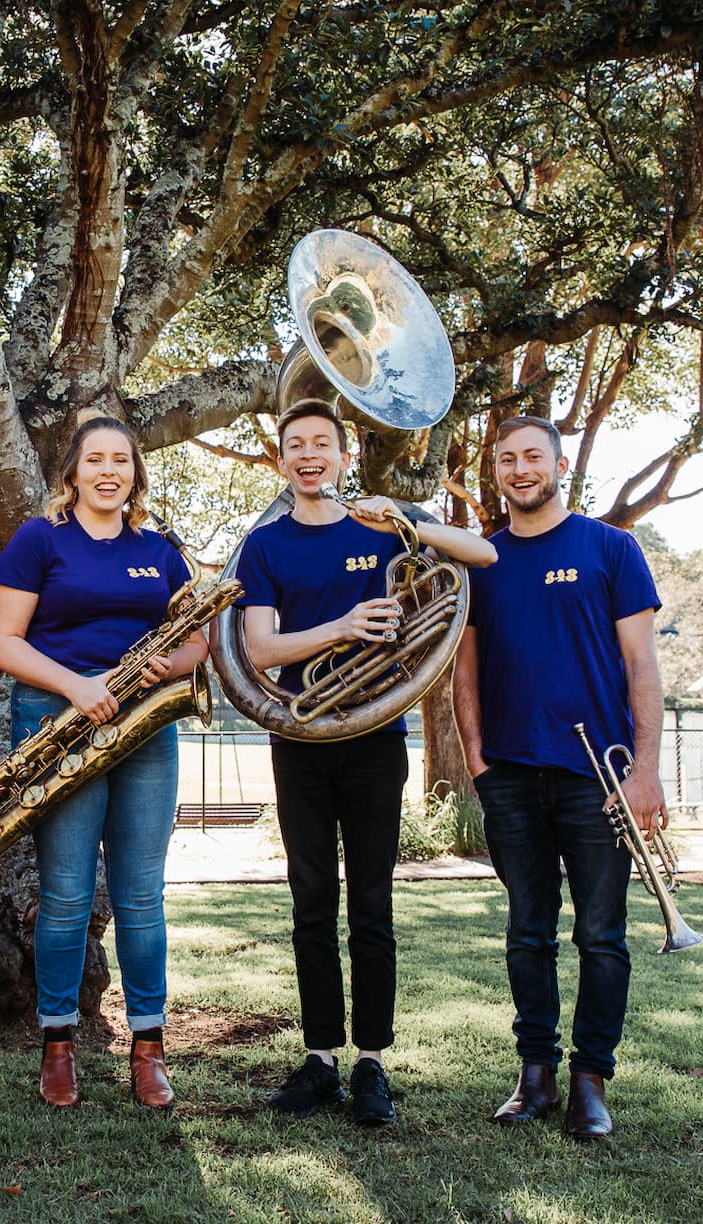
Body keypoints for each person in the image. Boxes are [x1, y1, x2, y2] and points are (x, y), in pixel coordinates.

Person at [234, 399, 494, 1126]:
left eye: (322, 443)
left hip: (376, 740)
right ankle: (320, 1060)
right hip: (301, 739)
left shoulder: (379, 527)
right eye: (295, 445)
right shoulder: (264, 545)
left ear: (343, 457)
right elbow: (259, 649)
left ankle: (372, 1062)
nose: (309, 454)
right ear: (280, 461)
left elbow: (483, 556)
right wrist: (344, 626)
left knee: (372, 906)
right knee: (311, 904)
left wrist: (404, 516)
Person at [451, 415, 667, 1140]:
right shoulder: (481, 561)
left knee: (602, 935)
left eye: (532, 456)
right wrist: (478, 758)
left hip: (597, 779)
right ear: (496, 470)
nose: (519, 469)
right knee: (527, 932)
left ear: (558, 463)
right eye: (506, 459)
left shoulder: (612, 548)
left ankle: (590, 1080)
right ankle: (534, 1075)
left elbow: (642, 666)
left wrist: (644, 770)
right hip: (510, 774)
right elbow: (466, 667)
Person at [0, 414, 208, 1111]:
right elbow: (3, 642)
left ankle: (148, 1048)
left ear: (135, 474)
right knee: (67, 898)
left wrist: (168, 664)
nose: (109, 470)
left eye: (122, 460)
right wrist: (77, 685)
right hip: (61, 724)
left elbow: (195, 641)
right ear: (73, 473)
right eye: (96, 460)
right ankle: (59, 1045)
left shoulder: (161, 550)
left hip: (144, 732)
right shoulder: (38, 539)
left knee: (142, 897)